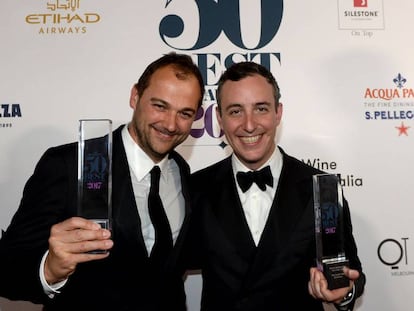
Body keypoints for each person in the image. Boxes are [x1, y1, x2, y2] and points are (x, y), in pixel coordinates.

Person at [0, 52, 205, 311]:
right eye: (160, 106)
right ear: (135, 96)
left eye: (185, 113)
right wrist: (50, 269)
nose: (171, 124)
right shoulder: (69, 164)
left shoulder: (181, 171)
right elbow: (8, 271)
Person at [186, 61, 365, 310]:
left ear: (278, 112)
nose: (249, 125)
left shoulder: (321, 189)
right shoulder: (195, 188)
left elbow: (349, 272)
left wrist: (342, 291)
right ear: (219, 118)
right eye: (236, 111)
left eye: (261, 108)